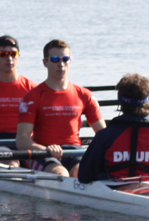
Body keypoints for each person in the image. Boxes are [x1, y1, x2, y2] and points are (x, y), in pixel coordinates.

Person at [16, 39, 105, 177]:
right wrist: (45, 149)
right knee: (61, 174)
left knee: (83, 173)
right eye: (55, 59)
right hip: (43, 152)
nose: (61, 64)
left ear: (70, 61)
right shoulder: (32, 97)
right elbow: (22, 140)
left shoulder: (85, 95)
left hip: (74, 151)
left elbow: (103, 135)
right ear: (45, 62)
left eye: (65, 59)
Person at [77, 73, 149, 183]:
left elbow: (84, 175)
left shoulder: (105, 137)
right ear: (148, 101)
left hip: (112, 192)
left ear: (120, 101)